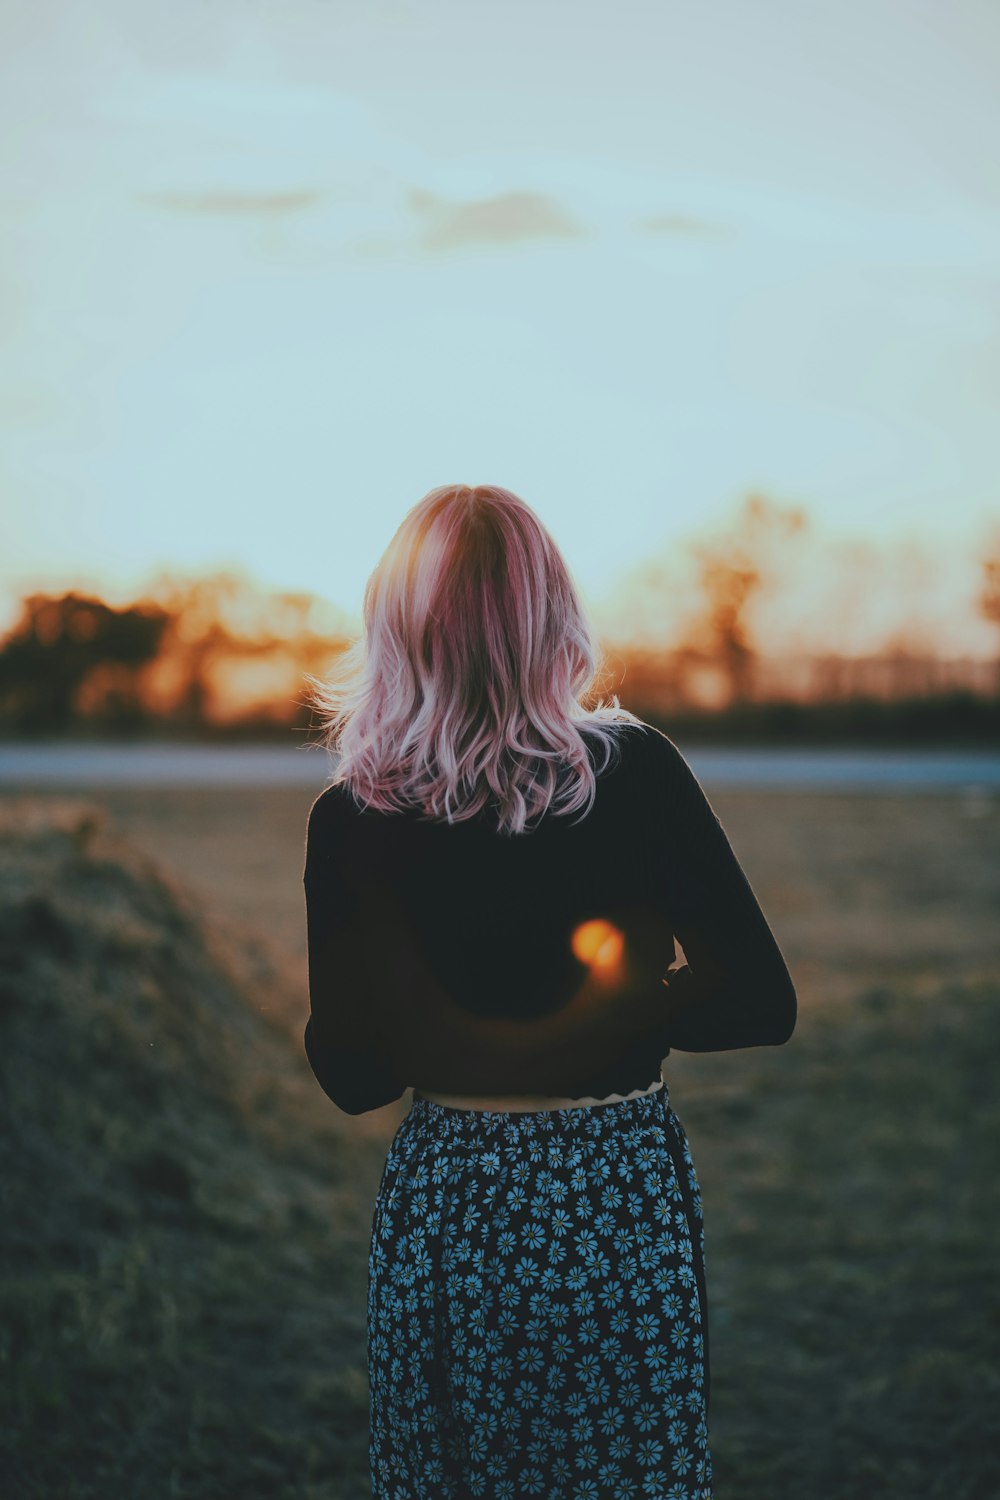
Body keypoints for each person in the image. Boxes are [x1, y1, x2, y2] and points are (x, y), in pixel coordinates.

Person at [301, 483, 797, 1500]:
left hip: (448, 1198)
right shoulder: (635, 770)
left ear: (396, 626)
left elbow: (351, 1078)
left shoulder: (353, 820)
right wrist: (631, 997)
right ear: (552, 618)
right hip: (611, 1191)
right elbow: (758, 1003)